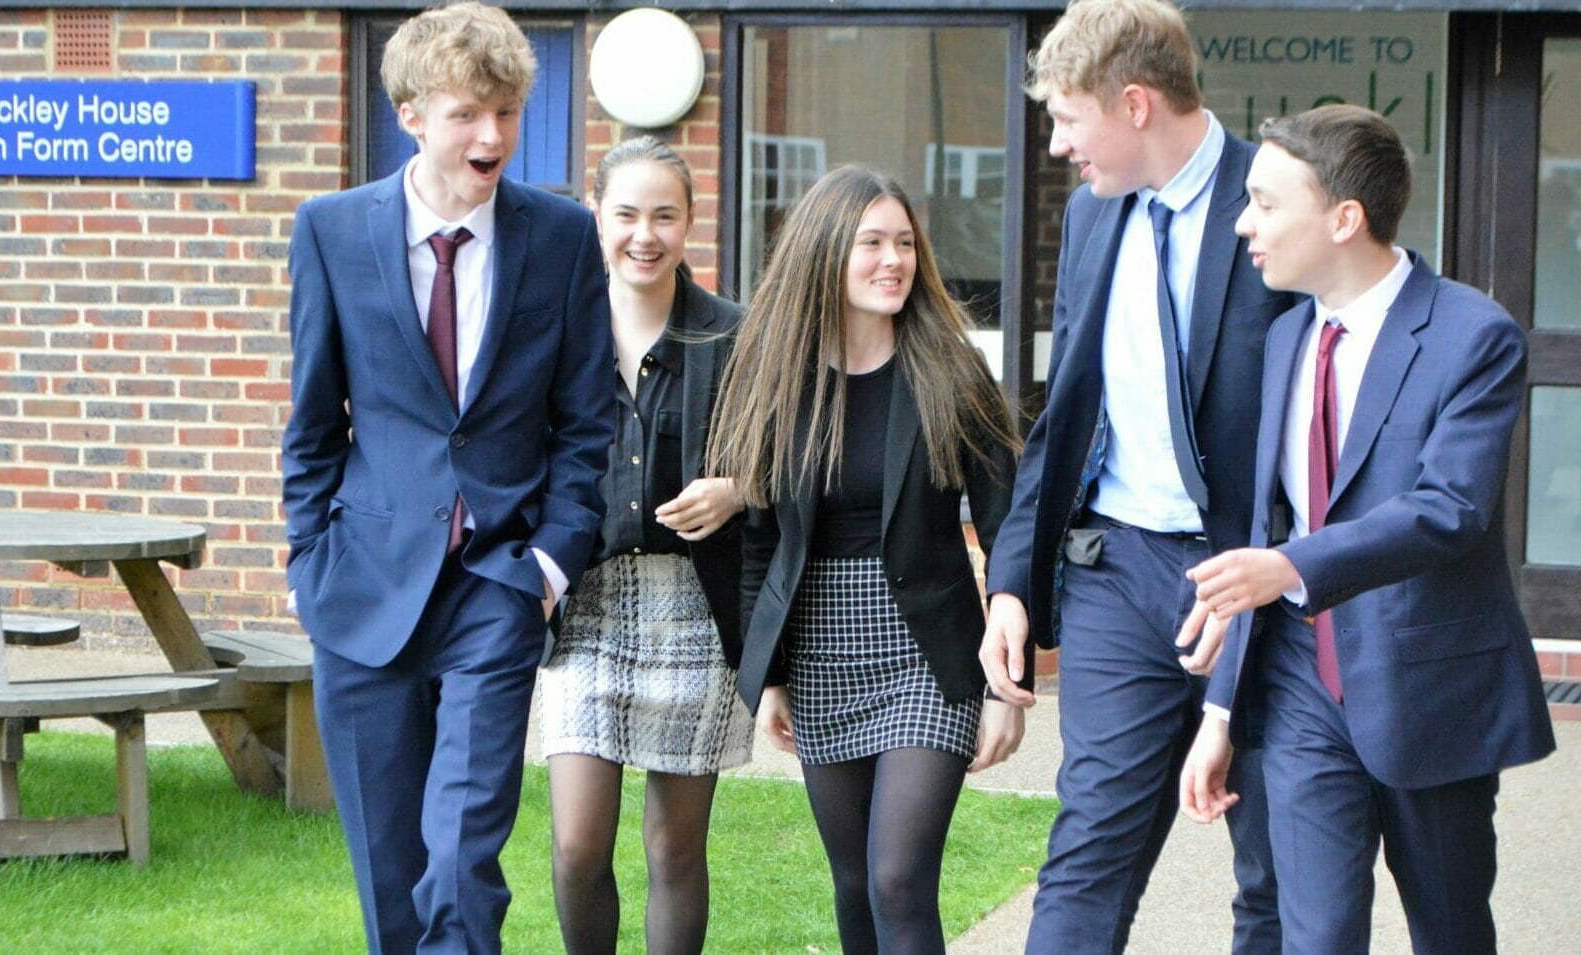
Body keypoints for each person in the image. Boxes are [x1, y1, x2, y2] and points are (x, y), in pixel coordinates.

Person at [1179, 104, 1557, 952]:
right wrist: (1219, 713)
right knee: (1314, 940)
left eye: (1266, 203)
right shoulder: (1283, 341)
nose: (1244, 223)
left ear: (1343, 218)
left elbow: (1448, 507)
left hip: (1430, 691)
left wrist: (1285, 565)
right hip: (1299, 691)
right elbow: (1263, 530)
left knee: (1451, 932)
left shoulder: (1473, 336)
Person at [279, 3, 614, 952]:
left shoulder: (557, 236)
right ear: (413, 112)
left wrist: (546, 567)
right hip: (362, 588)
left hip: (497, 583)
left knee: (462, 863)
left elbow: (586, 424)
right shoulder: (333, 231)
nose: (492, 136)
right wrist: (311, 559)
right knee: (390, 881)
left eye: (506, 112)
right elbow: (311, 420)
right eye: (470, 111)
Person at [976, 1, 1292, 950]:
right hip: (1118, 571)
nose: (1060, 144)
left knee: (1274, 866)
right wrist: (1010, 581)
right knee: (1087, 854)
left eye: (1069, 120)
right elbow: (1065, 410)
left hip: (1256, 583)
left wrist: (1278, 569)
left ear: (1135, 103)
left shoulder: (1274, 200)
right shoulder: (1089, 214)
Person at [709, 165, 1023, 954]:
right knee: (852, 881)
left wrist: (1005, 684)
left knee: (896, 876)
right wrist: (769, 672)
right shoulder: (772, 378)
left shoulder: (950, 370)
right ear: (824, 253)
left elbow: (1006, 522)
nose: (894, 260)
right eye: (871, 243)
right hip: (819, 651)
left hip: (927, 649)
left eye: (905, 243)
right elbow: (757, 540)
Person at [537, 135, 753, 955]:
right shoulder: (559, 329)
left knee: (673, 845)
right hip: (585, 604)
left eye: (665, 215)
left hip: (696, 611)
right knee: (577, 842)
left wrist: (736, 488)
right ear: (596, 217)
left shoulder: (730, 335)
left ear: (690, 222)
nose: (645, 234)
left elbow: (789, 459)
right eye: (626, 213)